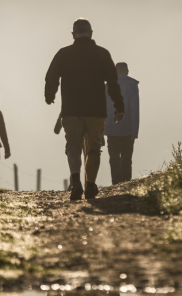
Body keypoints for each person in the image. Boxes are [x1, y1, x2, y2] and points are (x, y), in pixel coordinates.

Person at [45, 18, 124, 201]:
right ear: (91, 33)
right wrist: (119, 107)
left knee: (73, 146)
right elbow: (112, 82)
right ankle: (90, 185)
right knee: (94, 149)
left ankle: (75, 180)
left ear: (73, 35)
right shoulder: (102, 54)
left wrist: (50, 95)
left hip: (71, 110)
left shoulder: (64, 54)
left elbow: (51, 77)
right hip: (96, 110)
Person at [105, 62, 139, 184]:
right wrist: (134, 131)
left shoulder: (107, 85)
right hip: (127, 127)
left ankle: (116, 182)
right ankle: (126, 183)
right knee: (126, 157)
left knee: (113, 156)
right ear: (127, 71)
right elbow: (134, 109)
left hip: (110, 127)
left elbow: (102, 108)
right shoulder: (132, 85)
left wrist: (101, 129)